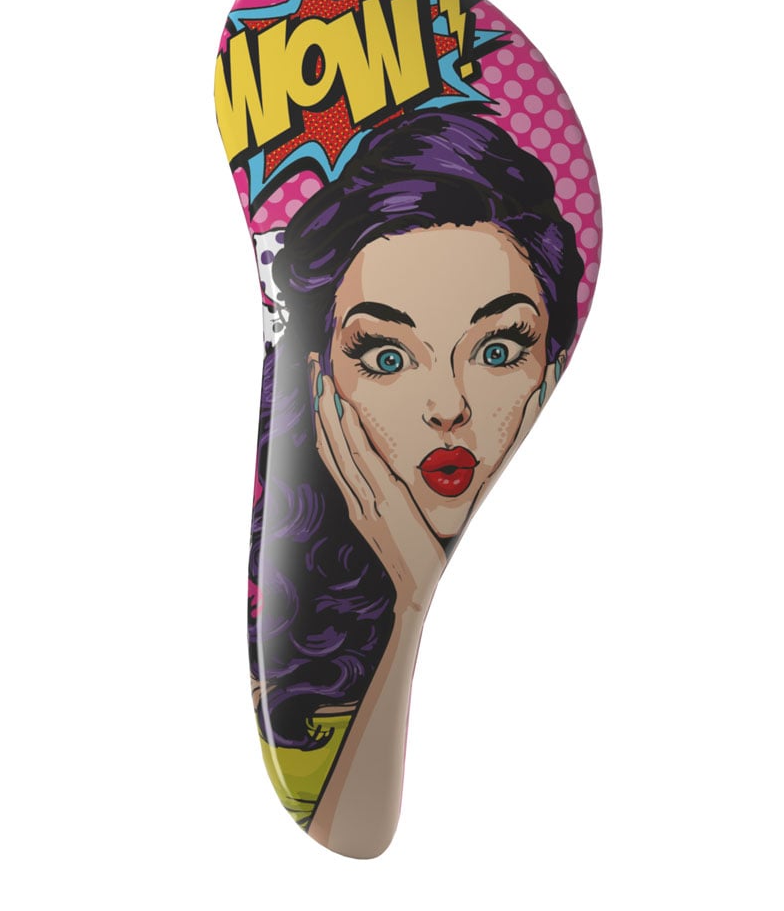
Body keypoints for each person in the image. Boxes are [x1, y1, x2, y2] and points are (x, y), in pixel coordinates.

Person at [249, 110, 584, 856]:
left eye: (497, 350)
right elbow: (345, 831)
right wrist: (408, 599)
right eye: (388, 358)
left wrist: (414, 589)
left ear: (552, 363)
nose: (447, 407)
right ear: (319, 379)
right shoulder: (288, 628)